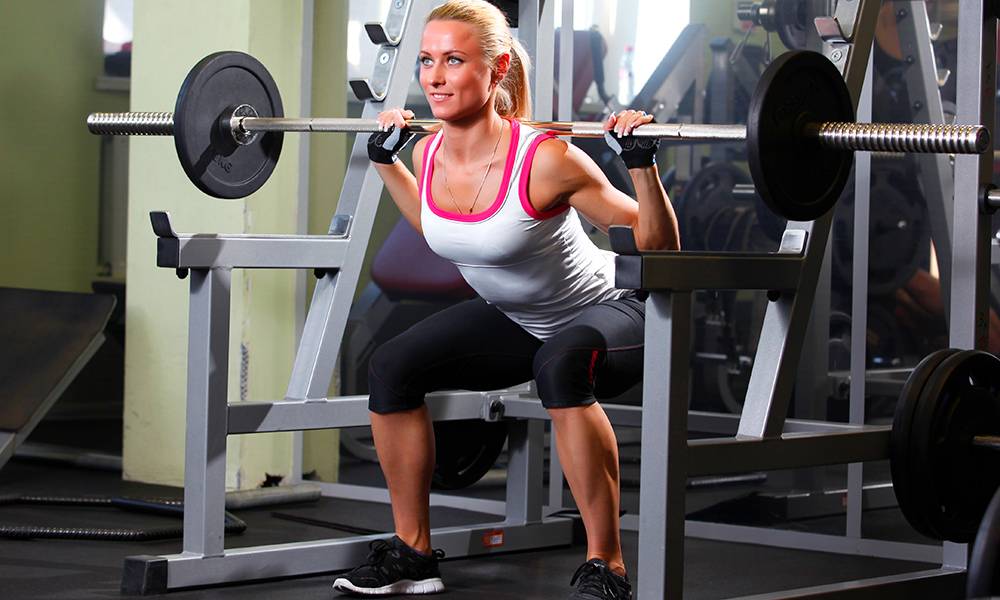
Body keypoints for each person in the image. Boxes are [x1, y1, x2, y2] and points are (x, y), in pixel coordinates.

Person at [333, 1, 678, 598]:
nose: (435, 77)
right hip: (523, 319)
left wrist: (642, 166)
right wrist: (386, 161)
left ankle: (608, 567)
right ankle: (413, 554)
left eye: (453, 61)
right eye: (426, 61)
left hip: (617, 309)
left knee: (560, 362)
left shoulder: (546, 159)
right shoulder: (427, 151)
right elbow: (436, 225)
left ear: (495, 71)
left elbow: (660, 250)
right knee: (390, 365)